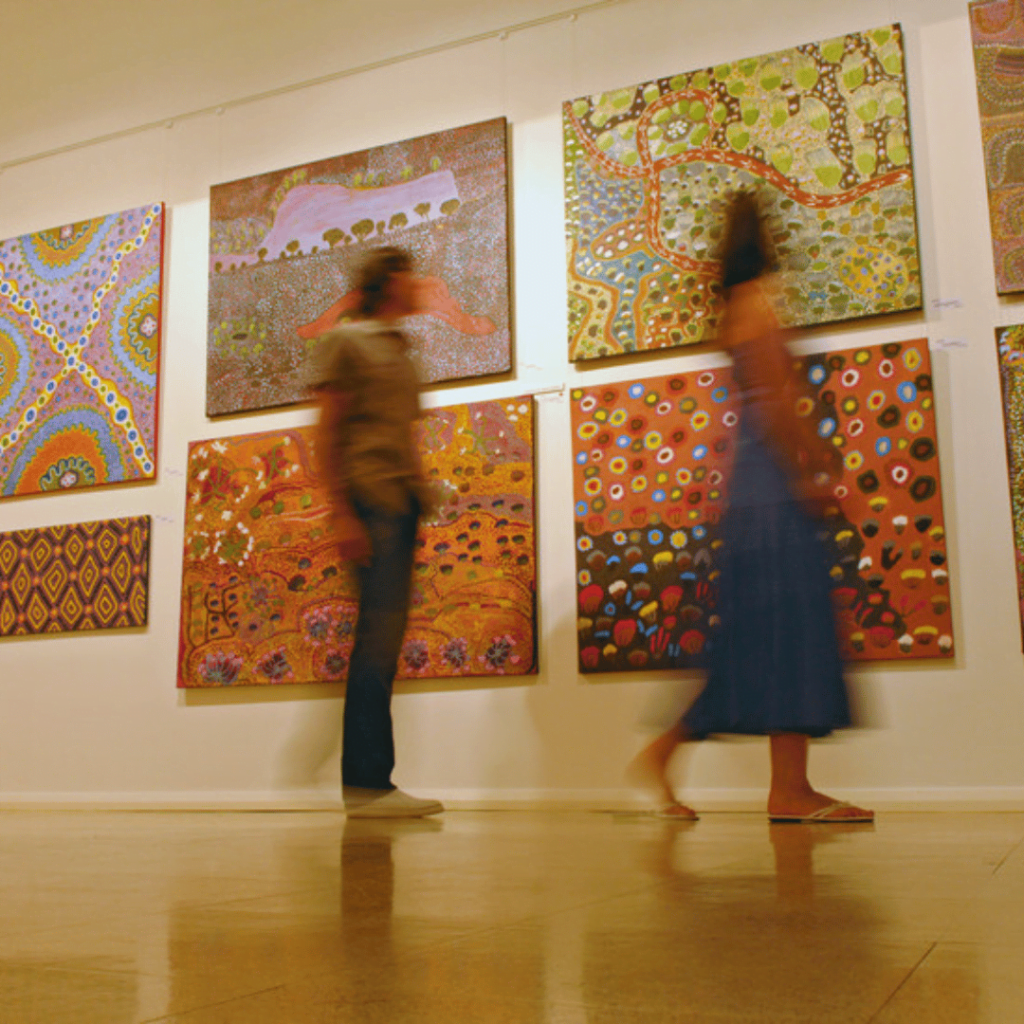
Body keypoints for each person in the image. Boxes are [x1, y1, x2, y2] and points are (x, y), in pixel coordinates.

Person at [631, 192, 873, 824]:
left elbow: (773, 401)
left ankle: (753, 776)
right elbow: (777, 405)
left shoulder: (737, 306)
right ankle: (785, 788)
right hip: (772, 492)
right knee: (788, 631)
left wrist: (816, 457)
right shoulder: (756, 305)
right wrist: (813, 471)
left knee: (763, 636)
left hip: (755, 489)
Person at [309, 246, 443, 819]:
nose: (421, 283)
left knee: (384, 646)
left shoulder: (402, 351)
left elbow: (404, 437)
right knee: (375, 645)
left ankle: (371, 785)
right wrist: (341, 513)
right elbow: (326, 432)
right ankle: (367, 786)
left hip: (400, 507)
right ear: (388, 280)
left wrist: (422, 493)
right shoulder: (347, 341)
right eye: (411, 273)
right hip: (369, 504)